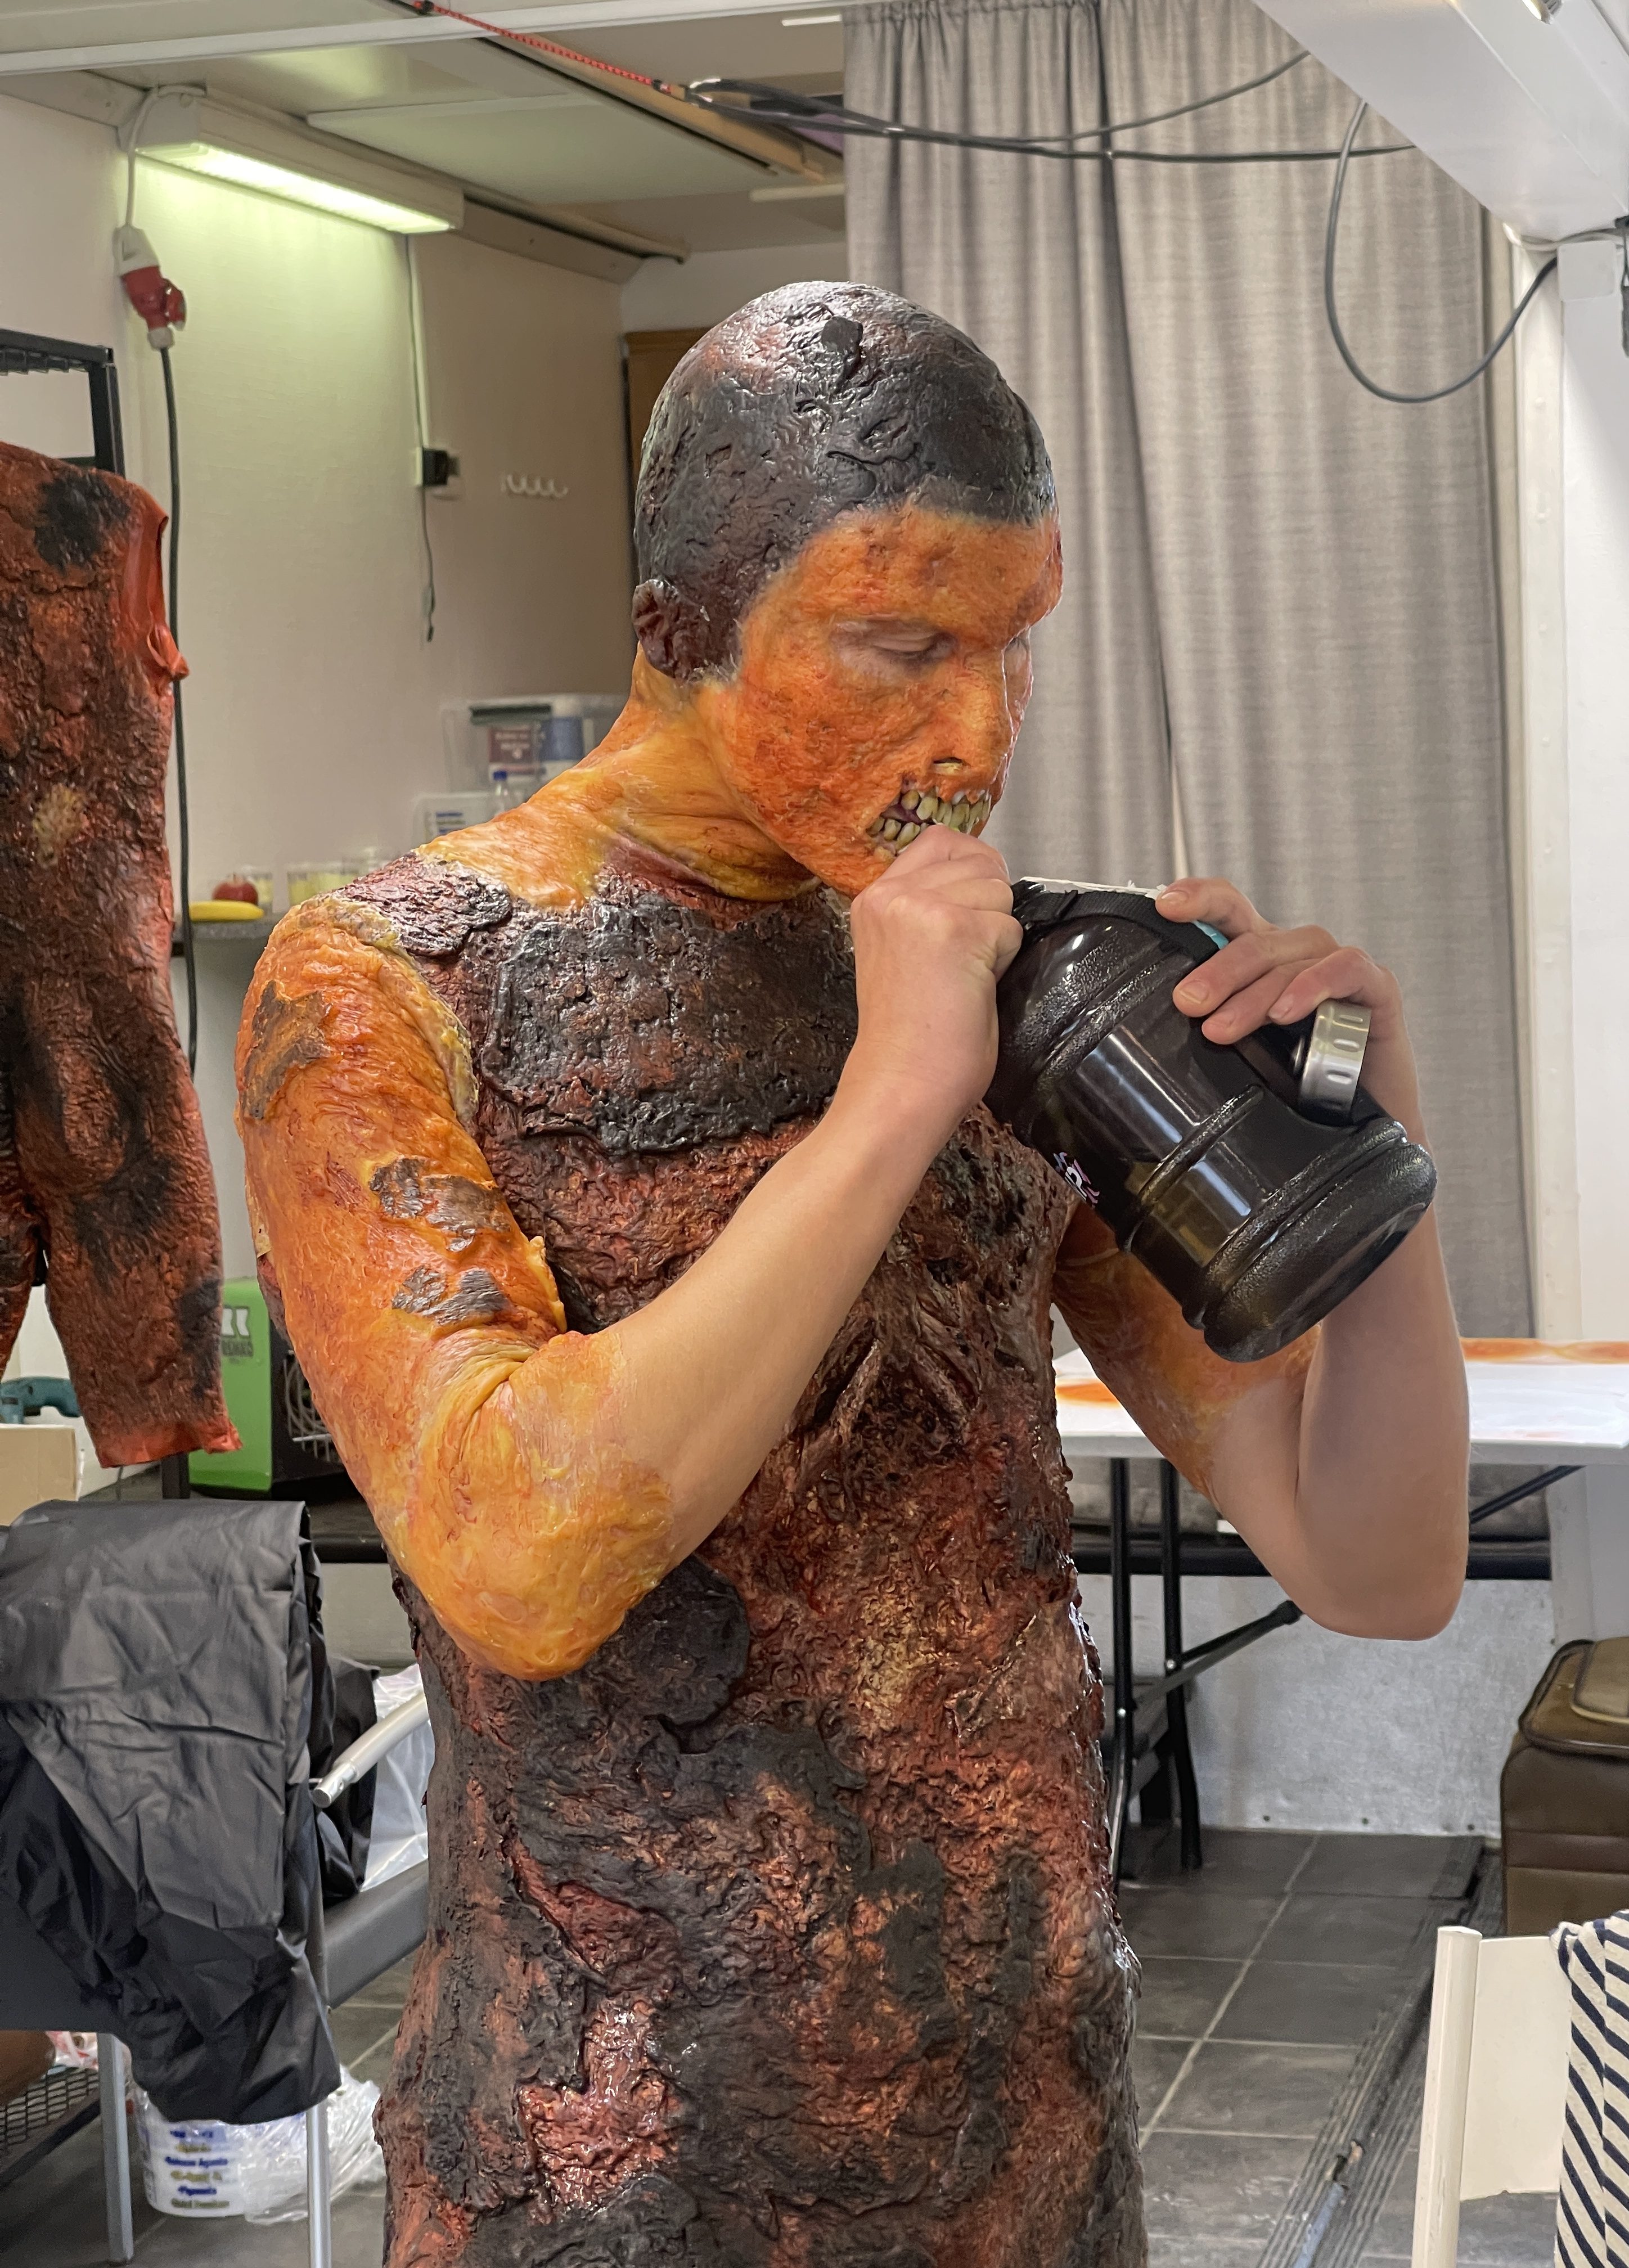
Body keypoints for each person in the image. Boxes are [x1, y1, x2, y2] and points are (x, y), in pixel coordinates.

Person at [237, 283, 1468, 2267]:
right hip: (615, 2157)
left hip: (1023, 2133)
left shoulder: (1001, 991)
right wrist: (895, 1100)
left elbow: (1377, 1564)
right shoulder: (387, 979)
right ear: (674, 634)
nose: (975, 732)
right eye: (900, 641)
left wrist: (1367, 1161)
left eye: (1012, 650)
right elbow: (516, 1553)